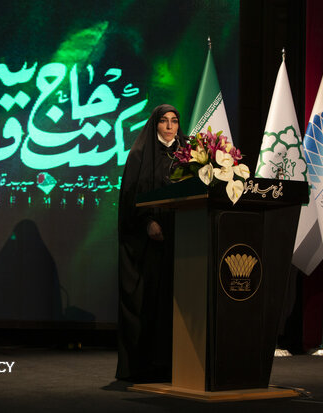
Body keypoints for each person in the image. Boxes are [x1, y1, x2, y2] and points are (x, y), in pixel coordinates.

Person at [116, 104, 187, 383]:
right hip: (150, 244)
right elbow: (129, 200)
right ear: (155, 125)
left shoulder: (190, 153)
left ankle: (179, 365)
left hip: (183, 240)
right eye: (164, 121)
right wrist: (147, 222)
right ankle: (146, 367)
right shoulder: (139, 155)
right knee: (150, 302)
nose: (170, 127)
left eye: (174, 121)